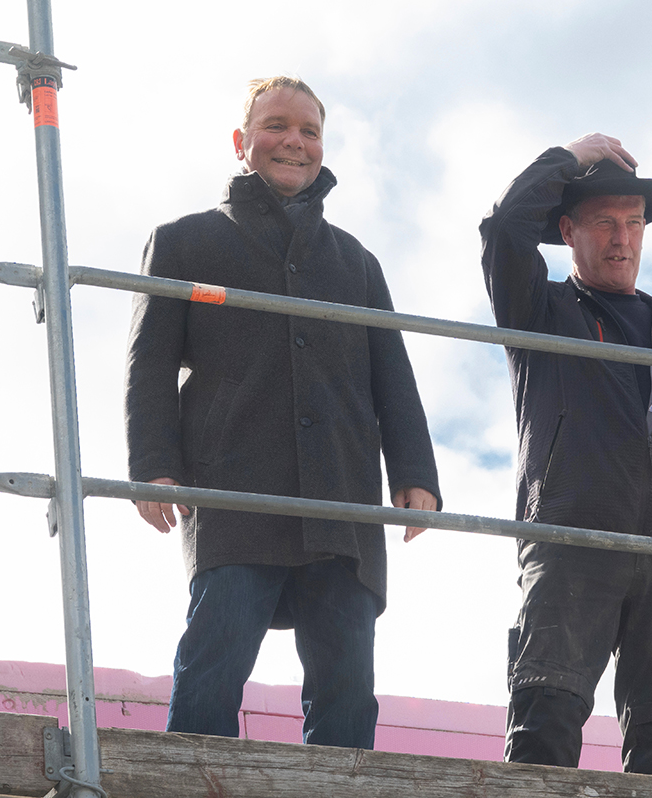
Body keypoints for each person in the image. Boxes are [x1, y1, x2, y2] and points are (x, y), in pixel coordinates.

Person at [125, 76, 441, 749]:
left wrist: (415, 473)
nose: (294, 142)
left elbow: (394, 375)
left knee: (347, 689)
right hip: (234, 491)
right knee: (213, 666)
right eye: (276, 126)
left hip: (343, 502)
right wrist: (152, 465)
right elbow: (148, 364)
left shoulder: (357, 262)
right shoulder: (183, 242)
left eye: (309, 131)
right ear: (242, 143)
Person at [480, 133, 652, 777]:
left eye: (634, 223)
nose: (622, 237)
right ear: (568, 230)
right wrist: (569, 156)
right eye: (604, 221)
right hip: (572, 546)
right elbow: (503, 227)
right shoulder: (539, 312)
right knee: (543, 726)